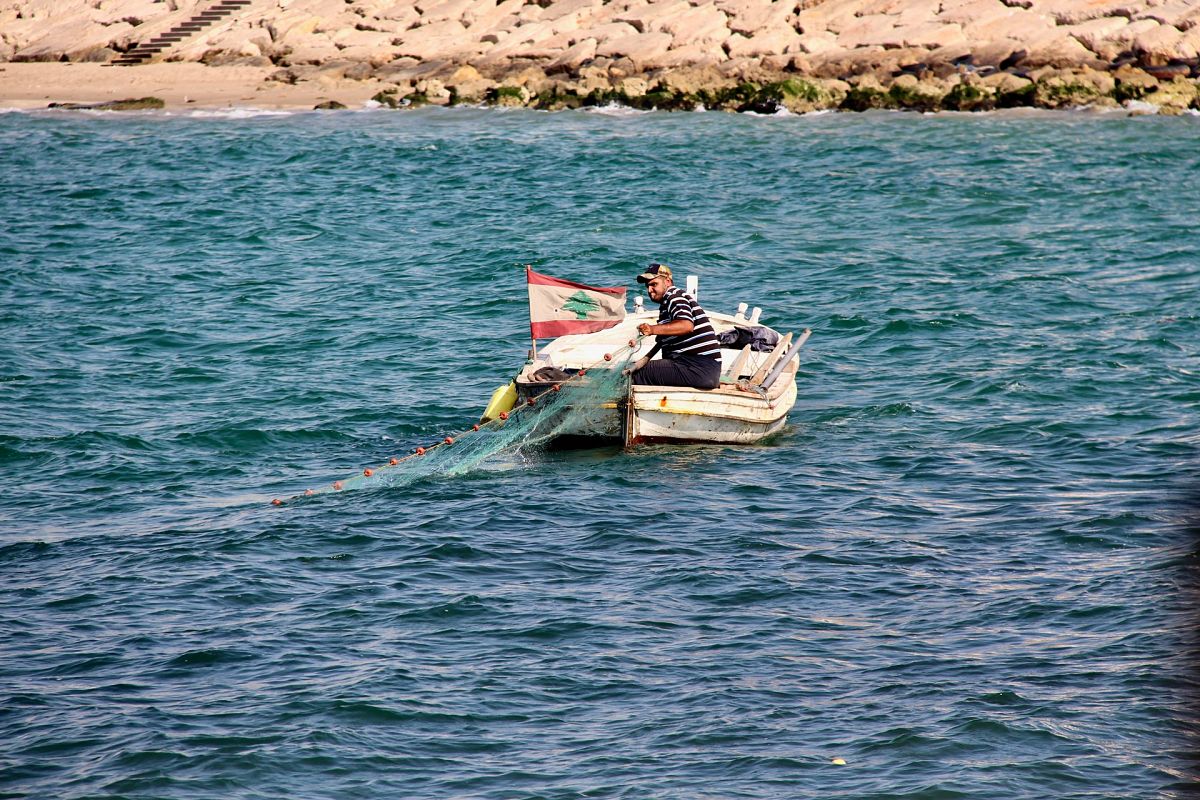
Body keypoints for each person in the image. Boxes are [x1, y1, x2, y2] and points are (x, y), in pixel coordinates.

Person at [626, 263, 722, 389]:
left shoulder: (674, 296)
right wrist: (642, 360)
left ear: (667, 281)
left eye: (654, 284)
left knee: (631, 375)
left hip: (696, 367)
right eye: (647, 286)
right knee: (634, 369)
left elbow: (686, 325)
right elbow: (664, 340)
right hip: (704, 370)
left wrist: (652, 329)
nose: (649, 290)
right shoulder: (669, 304)